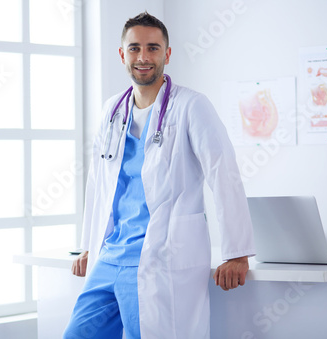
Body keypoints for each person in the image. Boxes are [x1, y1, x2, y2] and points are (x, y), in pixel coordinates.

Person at [63, 12, 255, 339]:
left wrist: (236, 251)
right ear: (122, 55)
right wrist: (87, 246)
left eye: (153, 48)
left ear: (167, 54)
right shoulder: (112, 110)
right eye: (135, 48)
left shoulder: (191, 106)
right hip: (109, 257)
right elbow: (98, 183)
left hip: (158, 259)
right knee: (77, 334)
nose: (143, 57)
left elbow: (224, 173)